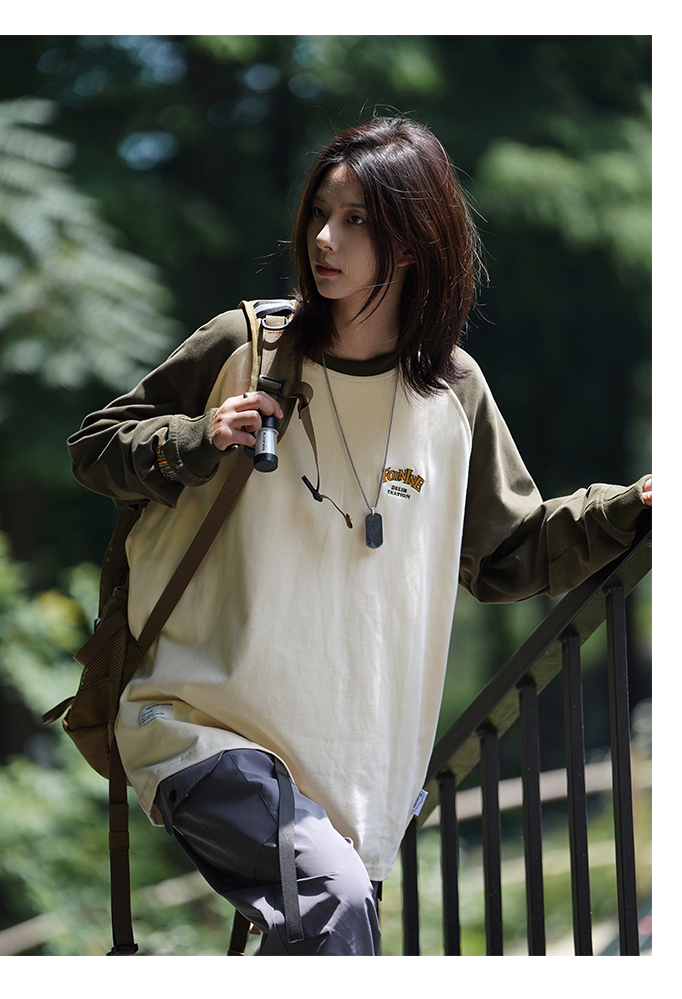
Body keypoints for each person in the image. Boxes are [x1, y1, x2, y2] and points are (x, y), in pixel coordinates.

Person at [67, 116, 652, 956]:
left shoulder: (453, 391)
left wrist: (632, 508)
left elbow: (508, 552)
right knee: (333, 901)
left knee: (333, 924)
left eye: (355, 220)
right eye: (319, 213)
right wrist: (198, 437)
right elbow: (94, 446)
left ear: (413, 242)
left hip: (353, 773)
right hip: (198, 723)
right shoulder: (247, 346)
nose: (322, 238)